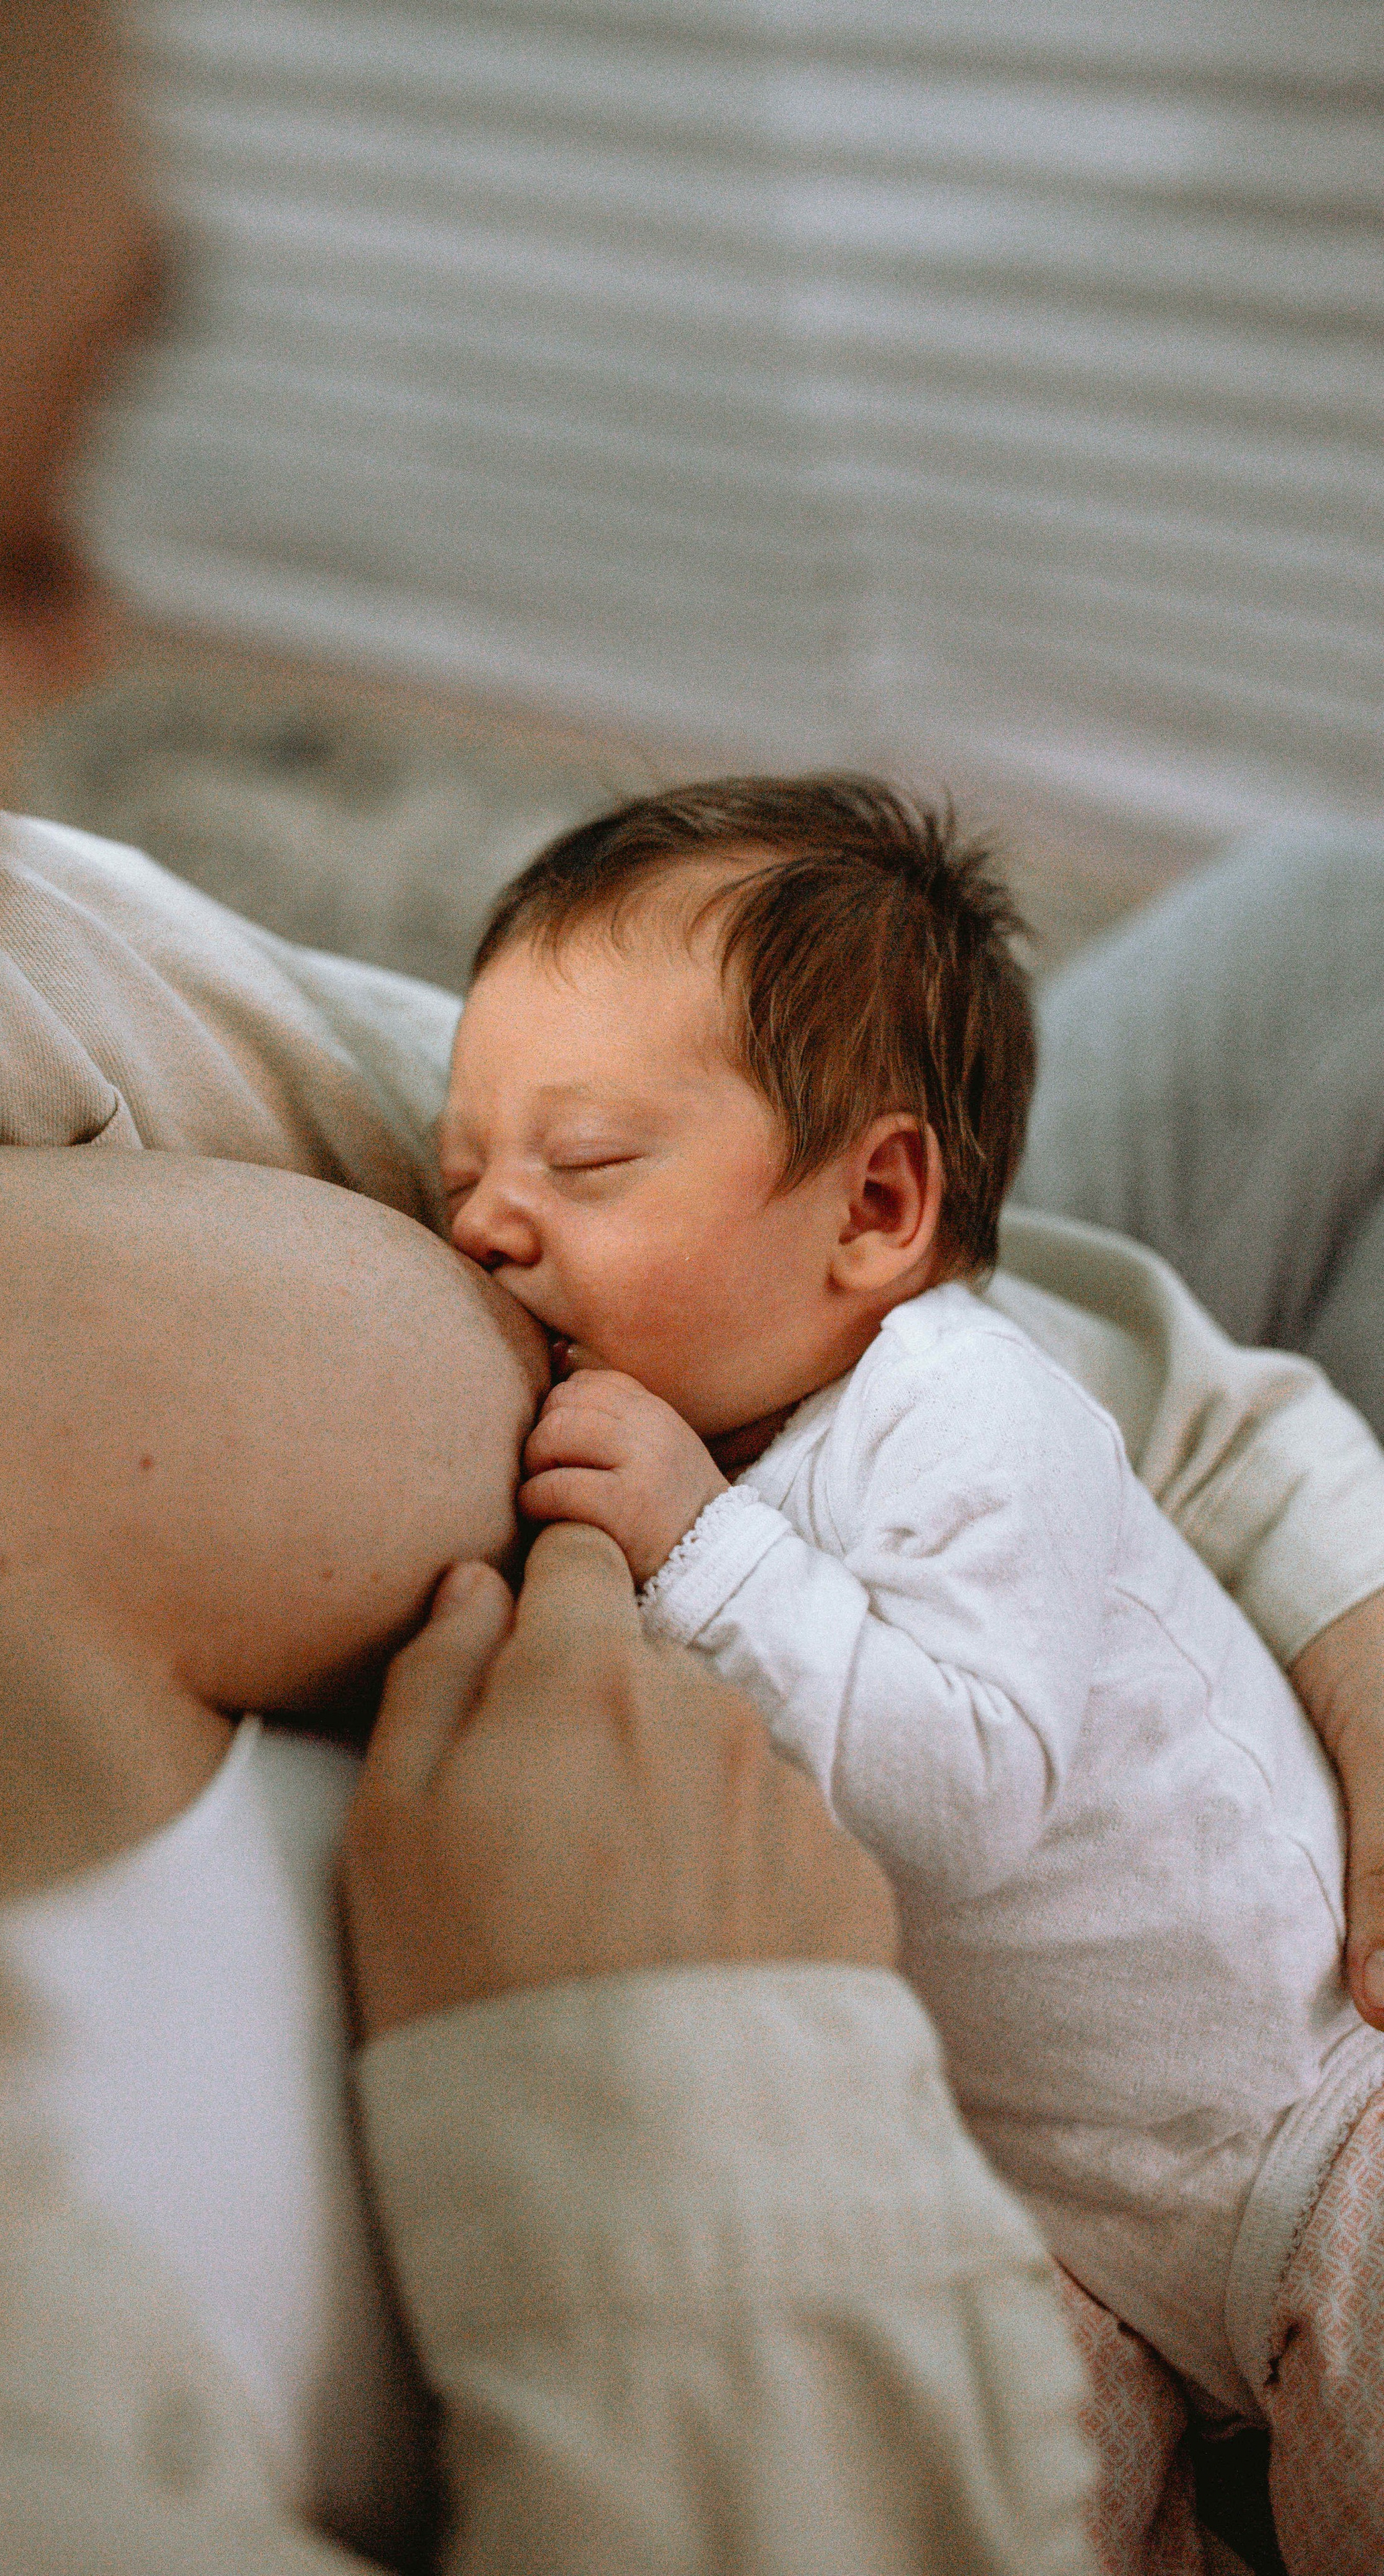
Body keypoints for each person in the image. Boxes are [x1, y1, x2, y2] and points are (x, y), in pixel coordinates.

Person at [0, 8, 1381, 2575]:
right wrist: (686, 2093)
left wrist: (1317, 1560)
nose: (81, 658)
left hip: (1176, 1867)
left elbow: (880, 1275)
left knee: (1340, 931)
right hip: (965, 2243)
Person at [437, 773, 1384, 2573]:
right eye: (459, 1168)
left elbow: (961, 1793)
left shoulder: (968, 1402)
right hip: (1060, 2224)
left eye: (581, 1164)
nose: (487, 1223)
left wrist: (696, 1552)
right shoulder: (714, 1451)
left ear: (877, 1202)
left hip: (1318, 2130)